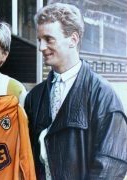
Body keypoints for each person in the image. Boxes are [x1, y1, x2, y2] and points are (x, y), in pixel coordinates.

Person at [24, 3, 127, 179]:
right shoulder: (34, 97)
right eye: (39, 39)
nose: (41, 47)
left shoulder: (104, 95)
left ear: (73, 39)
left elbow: (112, 164)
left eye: (49, 39)